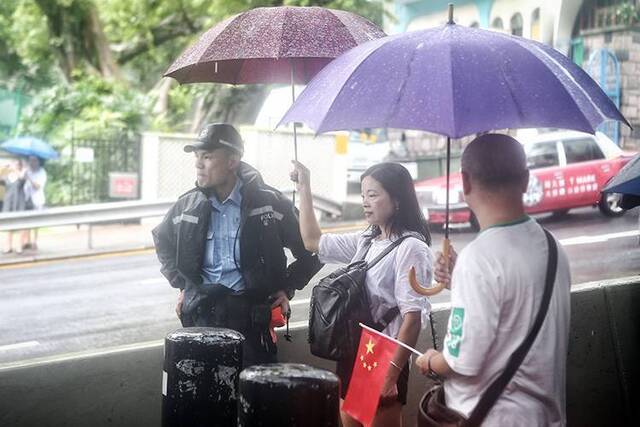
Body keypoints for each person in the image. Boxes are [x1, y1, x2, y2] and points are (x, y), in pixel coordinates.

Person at [415, 134, 571, 426]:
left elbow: (461, 362)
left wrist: (430, 360)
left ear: (465, 182)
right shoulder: (552, 247)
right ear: (525, 180)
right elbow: (517, 301)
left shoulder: (480, 259)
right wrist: (459, 280)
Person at [153, 123, 321, 366]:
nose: (198, 164)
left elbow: (312, 250)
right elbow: (162, 240)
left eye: (208, 157)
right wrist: (183, 285)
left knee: (251, 395)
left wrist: (287, 287)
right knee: (204, 395)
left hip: (252, 321)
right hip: (202, 316)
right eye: (197, 157)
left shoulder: (269, 203)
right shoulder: (187, 206)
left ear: (232, 161)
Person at [291, 160, 434, 427]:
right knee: (348, 422)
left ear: (397, 199)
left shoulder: (410, 247)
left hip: (383, 353)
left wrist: (391, 376)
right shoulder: (367, 239)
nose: (365, 202)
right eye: (362, 195)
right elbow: (312, 240)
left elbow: (412, 318)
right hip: (353, 347)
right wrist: (304, 187)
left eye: (373, 194)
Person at [21, 155, 47, 251]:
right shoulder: (27, 171)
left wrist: (30, 179)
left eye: (34, 161)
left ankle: (34, 242)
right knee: (26, 221)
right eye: (30, 161)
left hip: (37, 199)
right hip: (27, 199)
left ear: (38, 162)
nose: (32, 163)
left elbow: (37, 186)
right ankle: (26, 241)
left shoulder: (42, 172)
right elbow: (21, 182)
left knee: (35, 222)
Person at [2, 158, 26, 254]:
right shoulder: (7, 177)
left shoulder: (22, 174)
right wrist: (3, 168)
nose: (13, 165)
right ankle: (8, 246)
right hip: (8, 202)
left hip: (19, 202)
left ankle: (19, 246)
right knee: (8, 225)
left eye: (16, 164)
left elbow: (22, 180)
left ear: (19, 166)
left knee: (20, 224)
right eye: (13, 163)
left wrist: (16, 169)